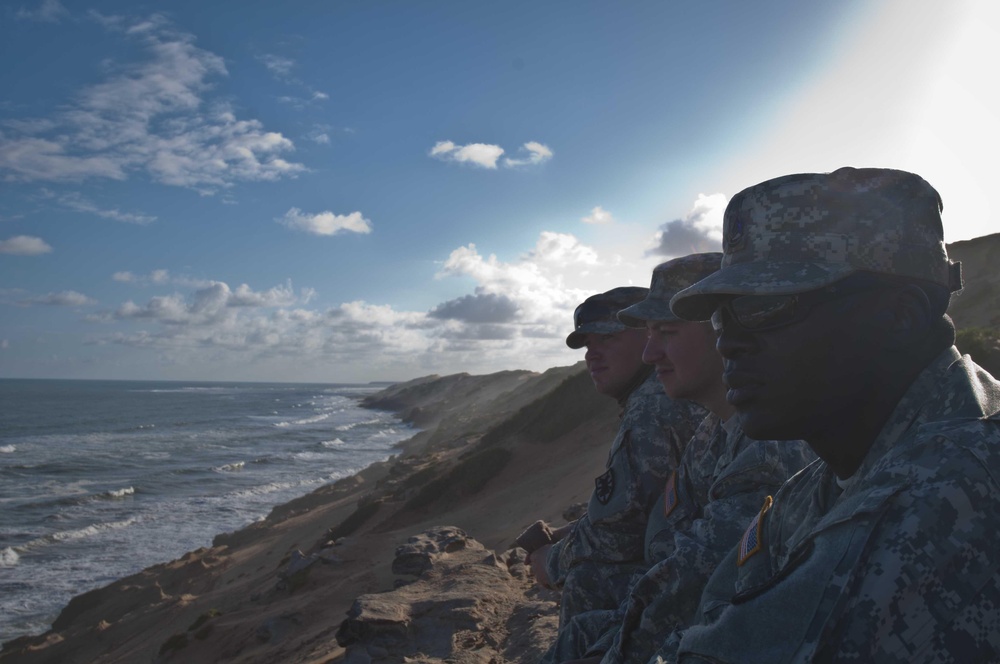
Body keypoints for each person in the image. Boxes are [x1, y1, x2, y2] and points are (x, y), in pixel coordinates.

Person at [656, 167, 1000, 662]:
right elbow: (715, 612)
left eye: (766, 306)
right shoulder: (828, 477)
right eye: (721, 314)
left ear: (897, 317)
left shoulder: (945, 490)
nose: (727, 341)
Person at [541, 254, 814, 664]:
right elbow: (666, 526)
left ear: (728, 331)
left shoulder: (768, 444)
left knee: (588, 581)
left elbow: (695, 579)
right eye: (649, 332)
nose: (652, 354)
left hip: (718, 628)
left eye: (665, 331)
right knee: (582, 628)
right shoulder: (714, 428)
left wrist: (556, 565)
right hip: (684, 598)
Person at [525, 287, 707, 630]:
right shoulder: (657, 392)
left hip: (702, 572)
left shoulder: (652, 406)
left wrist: (550, 562)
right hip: (702, 550)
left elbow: (619, 534)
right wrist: (578, 529)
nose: (592, 355)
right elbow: (640, 506)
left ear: (648, 335)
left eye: (606, 339)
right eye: (588, 345)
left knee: (588, 580)